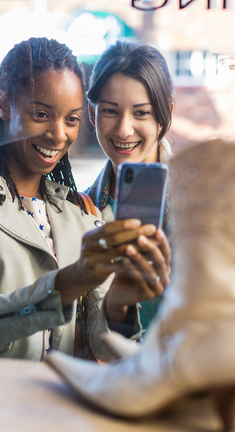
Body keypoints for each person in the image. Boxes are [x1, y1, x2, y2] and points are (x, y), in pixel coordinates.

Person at [0, 38, 172, 409]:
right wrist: (68, 283)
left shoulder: (81, 211)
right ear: (3, 104)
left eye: (72, 119)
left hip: (47, 412)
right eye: (41, 114)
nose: (58, 134)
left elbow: (102, 346)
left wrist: (120, 306)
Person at [84, 41, 175, 330]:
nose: (124, 129)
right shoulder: (81, 210)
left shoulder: (202, 199)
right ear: (91, 113)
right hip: (121, 370)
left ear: (165, 116)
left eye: (141, 113)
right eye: (110, 111)